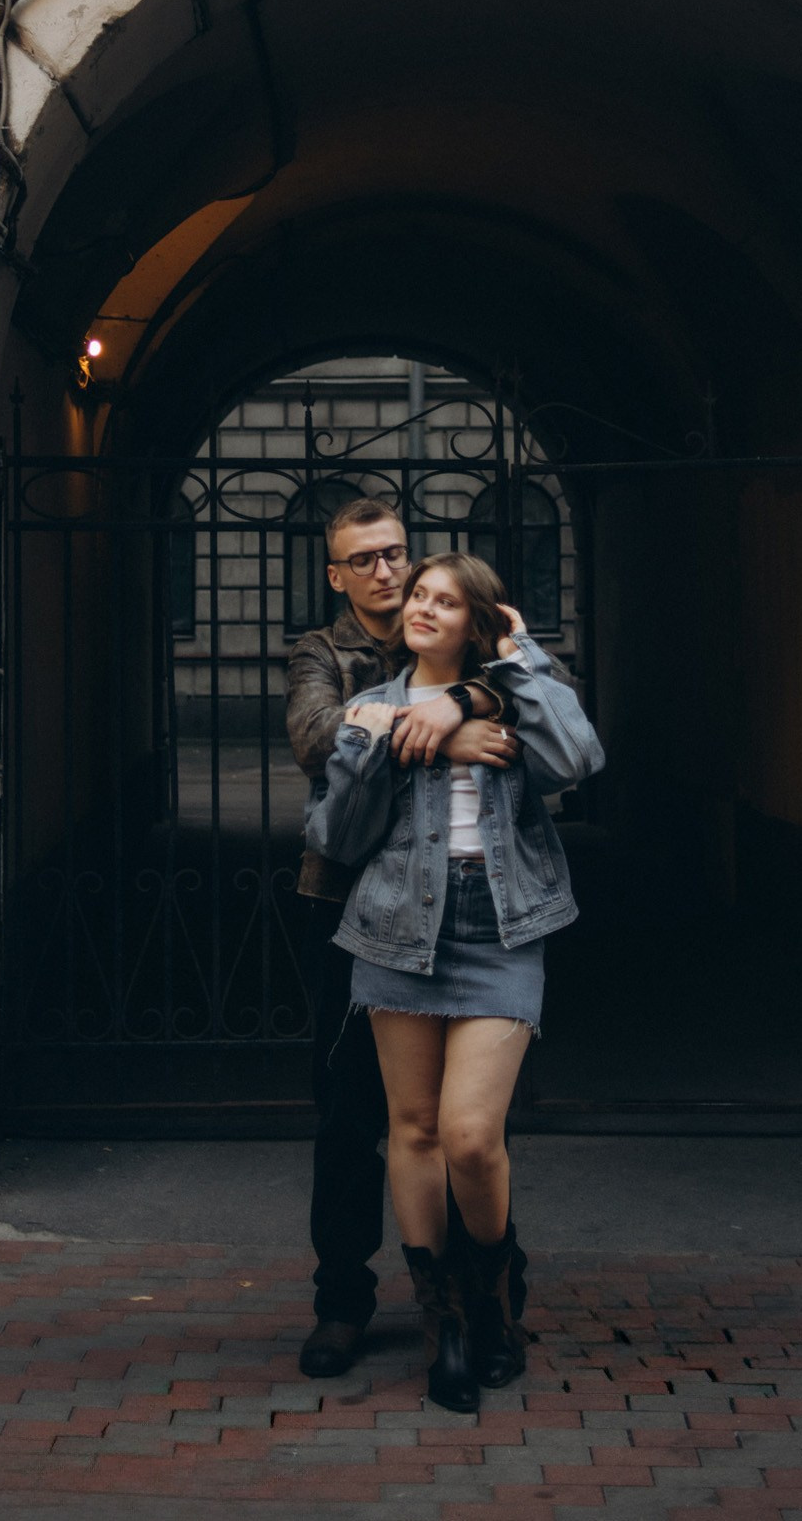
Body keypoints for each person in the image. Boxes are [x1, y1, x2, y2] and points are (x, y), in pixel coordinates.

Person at [306, 551, 603, 1412]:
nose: (423, 608)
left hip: (501, 928)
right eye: (419, 597)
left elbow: (578, 759)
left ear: (478, 620)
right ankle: (448, 1324)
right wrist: (391, 744)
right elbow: (337, 831)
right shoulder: (372, 706)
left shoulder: (514, 690)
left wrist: (512, 668)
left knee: (472, 1134)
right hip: (396, 926)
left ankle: (493, 1287)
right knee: (413, 1128)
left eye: (445, 600)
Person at [285, 498, 522, 1379]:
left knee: (473, 1120)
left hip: (462, 908)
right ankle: (342, 1300)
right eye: (363, 559)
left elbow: (536, 692)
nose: (386, 572)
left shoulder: (455, 626)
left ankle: (488, 1291)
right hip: (353, 902)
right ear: (337, 573)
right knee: (351, 1113)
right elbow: (317, 736)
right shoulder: (323, 651)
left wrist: (460, 693)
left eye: (394, 553)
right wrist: (447, 730)